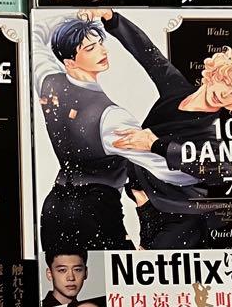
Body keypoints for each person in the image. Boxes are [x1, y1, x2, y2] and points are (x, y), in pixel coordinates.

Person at [92, 8, 232, 248]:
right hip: (149, 200)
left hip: (185, 215)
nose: (224, 94)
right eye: (226, 82)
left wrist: (155, 144)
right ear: (215, 74)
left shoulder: (213, 131)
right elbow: (148, 53)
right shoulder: (176, 89)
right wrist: (111, 18)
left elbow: (222, 172)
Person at [35, 14, 195, 251]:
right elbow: (172, 172)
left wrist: (74, 16)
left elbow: (37, 33)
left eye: (100, 43)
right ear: (70, 62)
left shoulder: (47, 81)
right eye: (90, 48)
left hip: (54, 209)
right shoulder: (112, 117)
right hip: (97, 213)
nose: (103, 50)